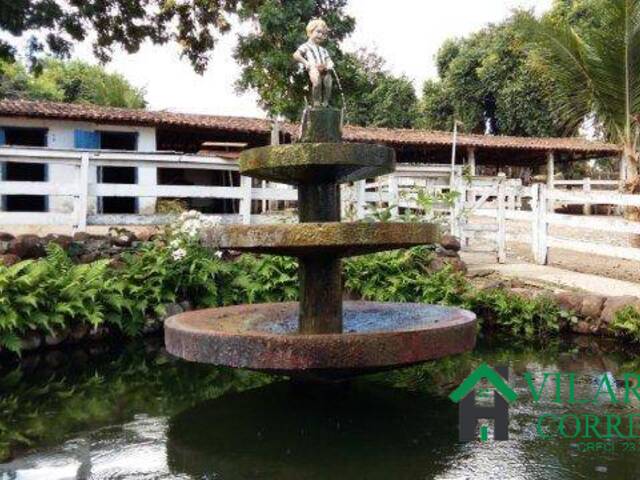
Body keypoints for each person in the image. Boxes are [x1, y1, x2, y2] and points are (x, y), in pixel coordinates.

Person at [294, 18, 334, 107]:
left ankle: (326, 102)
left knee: (328, 83)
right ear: (310, 32)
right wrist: (306, 63)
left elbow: (329, 60)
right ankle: (316, 102)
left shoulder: (323, 50)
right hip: (313, 68)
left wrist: (330, 65)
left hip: (324, 68)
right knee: (316, 82)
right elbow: (296, 55)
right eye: (318, 32)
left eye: (323, 34)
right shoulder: (306, 46)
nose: (320, 35)